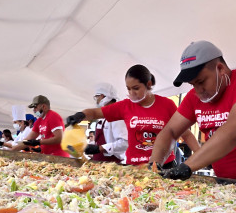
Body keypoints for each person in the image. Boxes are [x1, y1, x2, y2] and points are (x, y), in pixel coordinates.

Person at [148, 41, 236, 185]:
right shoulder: (193, 97)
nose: (198, 90)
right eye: (193, 84)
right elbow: (170, 131)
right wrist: (154, 165)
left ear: (220, 68)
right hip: (225, 181)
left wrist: (187, 167)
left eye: (201, 81)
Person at [66, 65, 199, 166]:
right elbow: (95, 113)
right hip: (134, 167)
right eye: (128, 88)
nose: (131, 93)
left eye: (135, 88)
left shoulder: (167, 104)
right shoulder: (125, 106)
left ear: (148, 84)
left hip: (164, 166)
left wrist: (201, 158)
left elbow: (185, 134)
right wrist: (81, 115)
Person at [83, 82, 127, 163]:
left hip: (112, 163)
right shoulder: (102, 118)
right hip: (98, 162)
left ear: (102, 96)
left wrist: (99, 148)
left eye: (97, 97)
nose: (96, 101)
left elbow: (124, 143)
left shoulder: (117, 116)